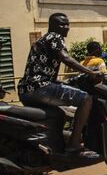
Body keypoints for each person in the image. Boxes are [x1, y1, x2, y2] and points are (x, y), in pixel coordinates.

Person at [18, 13, 102, 158]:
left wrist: (62, 82)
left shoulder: (42, 40)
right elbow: (65, 58)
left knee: (58, 115)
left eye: (67, 24)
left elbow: (42, 70)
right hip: (40, 87)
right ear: (52, 26)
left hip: (26, 90)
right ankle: (74, 145)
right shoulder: (55, 37)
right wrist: (90, 73)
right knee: (86, 99)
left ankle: (43, 163)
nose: (66, 27)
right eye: (62, 24)